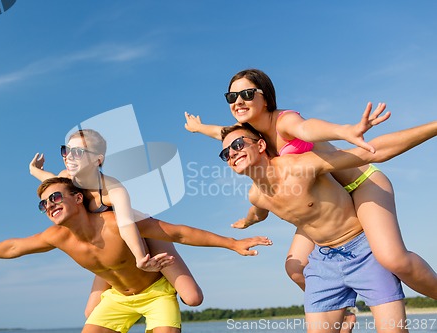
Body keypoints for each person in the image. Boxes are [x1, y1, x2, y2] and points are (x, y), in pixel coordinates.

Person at [184, 68, 437, 300]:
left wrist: (344, 130)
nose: (238, 101)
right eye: (232, 97)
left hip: (360, 184)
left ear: (266, 98)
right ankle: (344, 311)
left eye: (247, 93)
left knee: (393, 258)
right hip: (323, 198)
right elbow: (223, 134)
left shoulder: (284, 122)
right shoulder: (248, 136)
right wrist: (198, 127)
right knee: (295, 268)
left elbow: (307, 128)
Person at [0, 177, 271, 333]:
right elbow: (13, 247)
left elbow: (179, 232)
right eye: (43, 204)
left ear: (78, 199)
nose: (49, 205)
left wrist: (232, 243)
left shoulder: (117, 222)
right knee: (89, 317)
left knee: (192, 298)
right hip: (116, 297)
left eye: (55, 197)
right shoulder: (55, 236)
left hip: (154, 292)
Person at [218, 121, 436, 333]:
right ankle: (347, 314)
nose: (232, 154)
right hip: (323, 263)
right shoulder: (256, 196)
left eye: (237, 145)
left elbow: (374, 152)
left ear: (261, 145)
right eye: (225, 153)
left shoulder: (299, 167)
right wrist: (246, 223)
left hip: (363, 252)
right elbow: (257, 213)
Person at [29, 129, 204, 311]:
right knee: (90, 312)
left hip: (143, 232)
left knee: (192, 297)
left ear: (98, 159)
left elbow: (126, 224)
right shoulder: (66, 177)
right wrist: (34, 170)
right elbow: (51, 182)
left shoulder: (112, 188)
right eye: (66, 151)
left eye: (78, 152)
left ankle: (162, 292)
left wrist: (140, 257)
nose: (69, 156)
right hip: (113, 249)